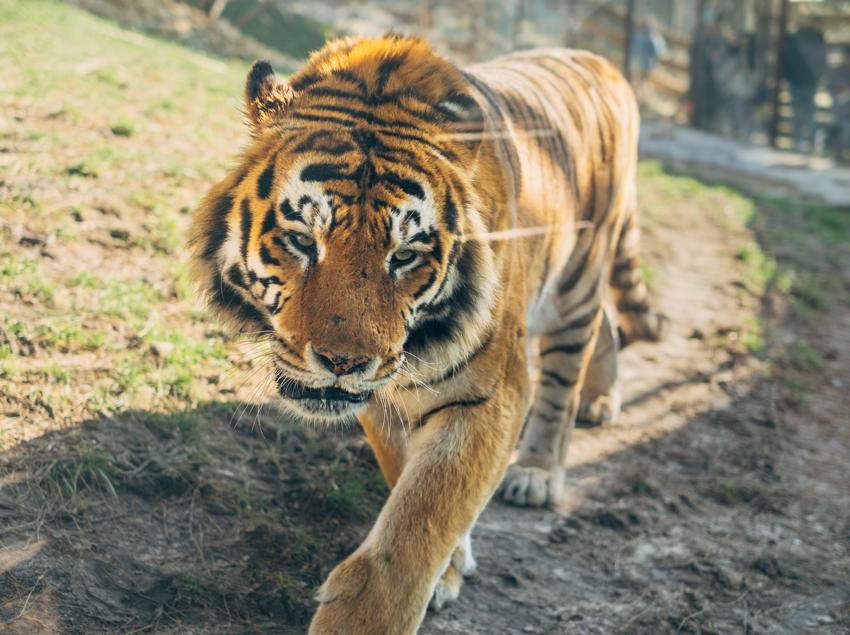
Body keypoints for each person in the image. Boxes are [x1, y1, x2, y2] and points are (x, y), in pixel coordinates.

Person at [783, 24, 827, 152]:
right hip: (805, 82)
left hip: (800, 82)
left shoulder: (794, 42)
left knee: (800, 113)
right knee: (807, 113)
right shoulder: (816, 43)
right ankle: (810, 142)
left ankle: (801, 141)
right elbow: (821, 64)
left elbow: (787, 63)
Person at [631, 18, 666, 107]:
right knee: (645, 83)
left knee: (641, 82)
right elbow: (658, 51)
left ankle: (641, 100)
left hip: (638, 63)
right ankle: (643, 101)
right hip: (647, 64)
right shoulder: (652, 37)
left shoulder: (638, 35)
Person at [827, 47, 850, 161]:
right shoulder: (838, 71)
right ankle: (837, 154)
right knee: (841, 129)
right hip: (840, 107)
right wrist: (840, 93)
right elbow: (830, 87)